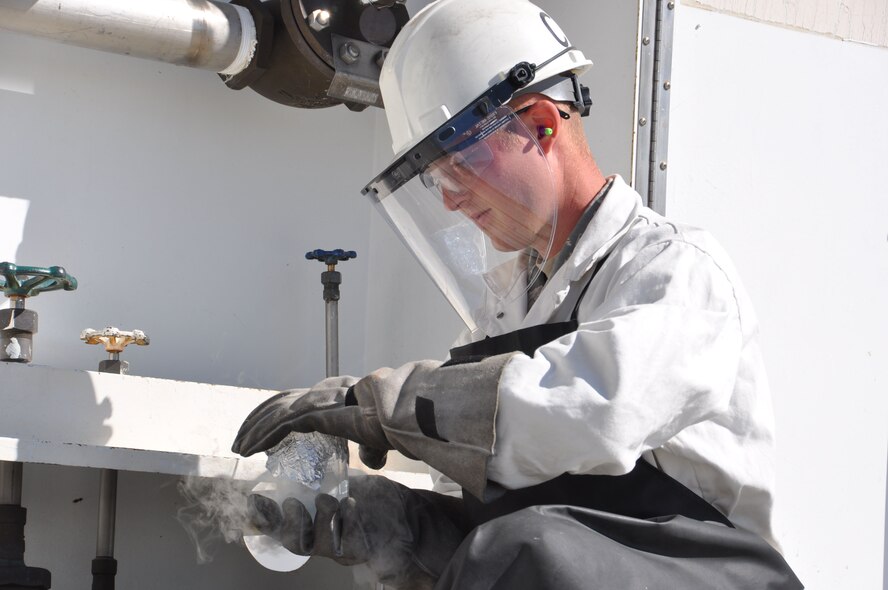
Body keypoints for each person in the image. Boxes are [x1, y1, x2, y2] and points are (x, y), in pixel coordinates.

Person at [233, 0, 803, 588]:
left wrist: (385, 407)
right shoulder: (502, 316)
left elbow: (585, 414)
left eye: (458, 162)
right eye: (433, 180)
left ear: (540, 123)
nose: (450, 197)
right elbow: (494, 529)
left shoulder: (674, 270)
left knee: (524, 548)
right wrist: (400, 525)